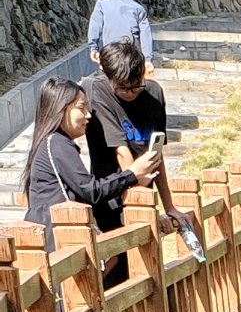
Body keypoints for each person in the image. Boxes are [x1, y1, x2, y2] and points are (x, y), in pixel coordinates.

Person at [86, 36, 197, 257]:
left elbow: (157, 155)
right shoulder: (97, 91)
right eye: (124, 89)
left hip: (144, 197)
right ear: (109, 79)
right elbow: (121, 151)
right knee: (119, 266)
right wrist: (138, 193)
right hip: (111, 197)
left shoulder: (154, 93)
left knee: (148, 261)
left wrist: (169, 206)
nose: (131, 93)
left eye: (137, 86)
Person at [20, 75, 159, 240]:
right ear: (60, 108)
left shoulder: (54, 143)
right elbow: (91, 190)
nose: (88, 115)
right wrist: (132, 173)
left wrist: (131, 179)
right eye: (81, 108)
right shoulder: (55, 142)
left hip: (61, 235)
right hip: (57, 238)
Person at [85, 0, 154, 67]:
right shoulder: (138, 8)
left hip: (110, 53)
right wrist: (147, 59)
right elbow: (145, 34)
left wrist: (93, 48)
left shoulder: (101, 4)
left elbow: (95, 26)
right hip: (132, 55)